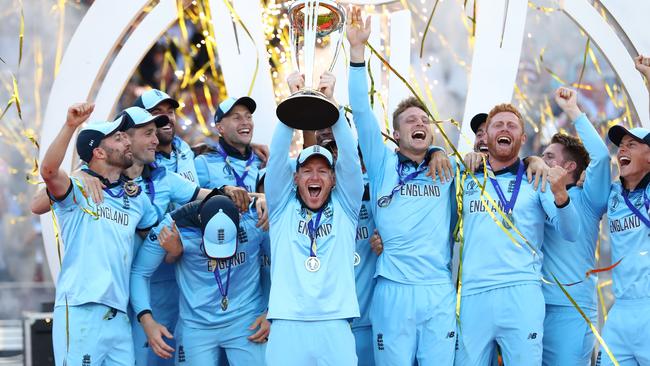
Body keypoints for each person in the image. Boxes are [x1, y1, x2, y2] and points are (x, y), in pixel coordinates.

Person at [347, 7, 457, 365]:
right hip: (392, 290)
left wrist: (534, 161)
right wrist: (357, 53)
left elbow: (493, 162)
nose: (419, 122)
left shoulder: (447, 167)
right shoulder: (381, 165)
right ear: (395, 134)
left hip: (437, 290)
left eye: (425, 119)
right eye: (410, 120)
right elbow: (361, 112)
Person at [454, 101, 581, 366]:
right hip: (474, 294)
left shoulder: (536, 178)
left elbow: (571, 232)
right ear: (486, 137)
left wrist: (560, 193)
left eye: (511, 125)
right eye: (497, 125)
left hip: (521, 292)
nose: (505, 129)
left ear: (522, 138)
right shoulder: (466, 177)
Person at [40, 103, 158, 366]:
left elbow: (155, 235)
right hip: (81, 308)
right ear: (99, 152)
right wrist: (71, 126)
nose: (127, 141)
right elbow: (48, 172)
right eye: (118, 138)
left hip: (119, 314)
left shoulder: (136, 198)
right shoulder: (77, 187)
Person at [264, 70, 363, 365]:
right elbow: (277, 156)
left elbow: (349, 157)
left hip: (335, 323)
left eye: (323, 170)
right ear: (296, 178)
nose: (315, 176)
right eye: (307, 170)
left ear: (333, 179)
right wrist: (291, 103)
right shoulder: (282, 207)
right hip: (286, 323)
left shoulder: (346, 206)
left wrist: (332, 107)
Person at [131, 194, 270, 366]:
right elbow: (140, 272)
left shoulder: (255, 220)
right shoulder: (174, 227)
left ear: (239, 219)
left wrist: (271, 311)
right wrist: (147, 321)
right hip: (196, 326)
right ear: (199, 221)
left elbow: (282, 264)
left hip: (246, 321)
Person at [540, 87, 610, 366]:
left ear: (569, 167)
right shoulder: (536, 193)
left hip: (573, 309)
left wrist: (573, 111)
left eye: (549, 157)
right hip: (533, 306)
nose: (542, 163)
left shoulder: (590, 198)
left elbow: (602, 157)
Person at [596, 55, 650, 366]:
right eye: (621, 145)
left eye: (633, 144)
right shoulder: (613, 192)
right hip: (621, 312)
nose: (623, 149)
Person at [194, 96, 264, 193]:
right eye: (237, 118)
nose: (245, 122)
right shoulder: (203, 163)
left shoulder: (263, 160)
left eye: (248, 117)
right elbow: (192, 203)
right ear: (220, 128)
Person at [135, 89, 199, 183]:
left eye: (170, 112)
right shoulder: (139, 162)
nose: (167, 118)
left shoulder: (183, 146)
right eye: (157, 113)